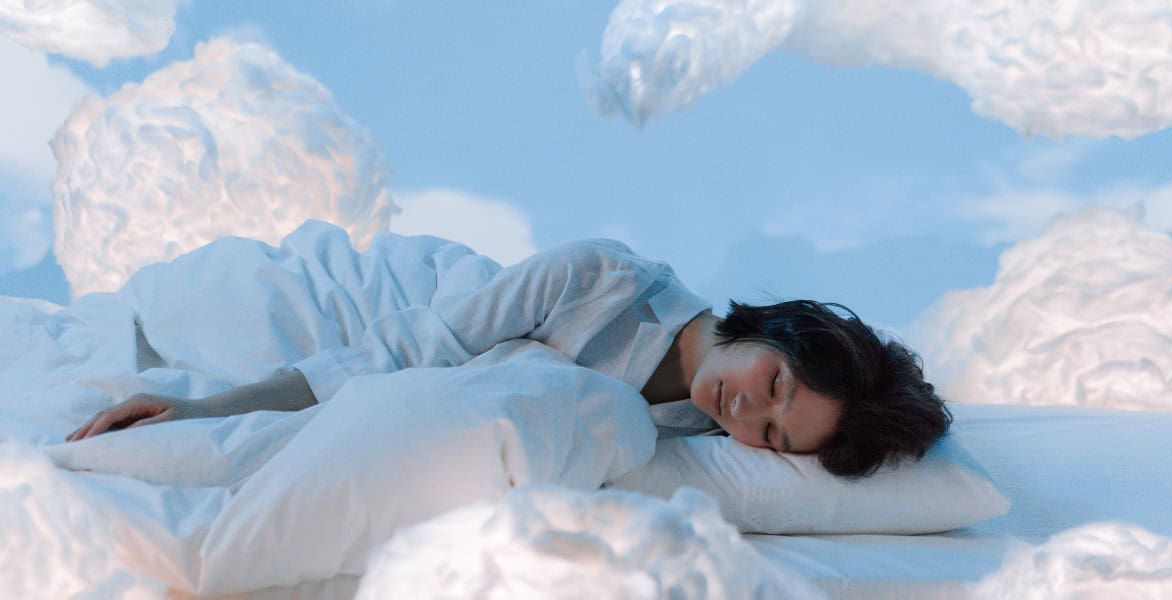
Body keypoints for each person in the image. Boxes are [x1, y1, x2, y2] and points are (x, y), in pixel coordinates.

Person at [65, 230, 950, 477]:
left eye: (781, 438)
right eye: (778, 384)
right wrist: (208, 411)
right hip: (409, 311)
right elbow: (411, 344)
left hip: (448, 376)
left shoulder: (699, 441)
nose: (747, 414)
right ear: (777, 333)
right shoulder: (602, 277)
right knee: (223, 316)